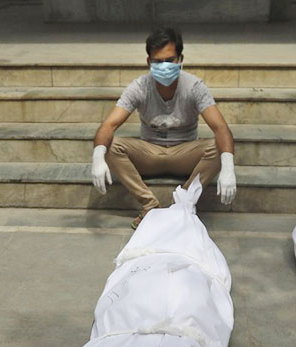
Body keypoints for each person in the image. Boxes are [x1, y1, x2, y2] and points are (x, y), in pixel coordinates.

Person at [90, 26, 237, 228]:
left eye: (169, 60)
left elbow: (221, 128)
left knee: (220, 147)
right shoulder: (139, 87)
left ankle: (182, 204)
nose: (164, 66)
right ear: (149, 62)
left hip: (185, 153)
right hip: (149, 152)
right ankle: (149, 205)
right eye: (158, 61)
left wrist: (228, 166)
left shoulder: (194, 87)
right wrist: (98, 157)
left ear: (180, 59)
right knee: (109, 145)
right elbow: (109, 124)